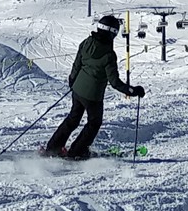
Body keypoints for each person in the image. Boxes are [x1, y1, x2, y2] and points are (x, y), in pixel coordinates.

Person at [44, 15, 143, 159]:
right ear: (112, 33)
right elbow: (114, 82)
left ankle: (53, 147)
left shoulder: (86, 42)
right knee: (94, 122)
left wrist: (73, 81)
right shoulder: (109, 54)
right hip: (93, 96)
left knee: (73, 118)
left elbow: (77, 64)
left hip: (77, 90)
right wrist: (133, 91)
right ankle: (77, 152)